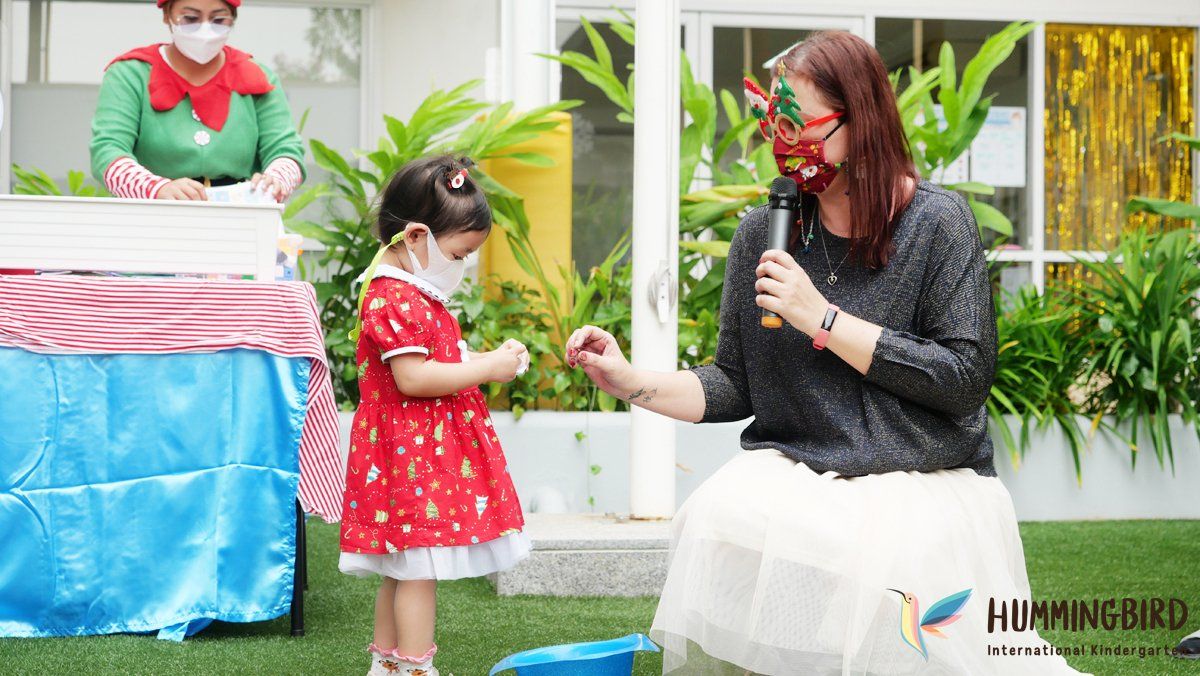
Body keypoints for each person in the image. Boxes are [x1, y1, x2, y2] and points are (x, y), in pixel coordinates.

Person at [567, 32, 1083, 675]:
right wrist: (628, 382)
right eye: (774, 124)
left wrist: (824, 319)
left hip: (921, 476)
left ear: (860, 123)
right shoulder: (765, 232)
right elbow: (734, 381)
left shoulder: (938, 223)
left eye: (797, 124)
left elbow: (962, 380)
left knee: (887, 562)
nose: (783, 143)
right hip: (802, 469)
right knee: (714, 514)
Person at [338, 156, 532, 676]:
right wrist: (486, 368)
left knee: (403, 567)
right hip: (411, 459)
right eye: (460, 253)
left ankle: (387, 666)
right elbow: (413, 378)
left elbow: (434, 363)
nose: (462, 264)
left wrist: (486, 360)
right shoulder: (396, 297)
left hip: (411, 453)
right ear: (417, 236)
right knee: (417, 568)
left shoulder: (408, 293)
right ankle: (415, 669)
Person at [89, 0, 305, 202]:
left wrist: (276, 180)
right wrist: (154, 189)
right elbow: (108, 151)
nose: (205, 29)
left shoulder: (257, 75)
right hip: (152, 213)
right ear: (167, 15)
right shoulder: (130, 74)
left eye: (219, 20)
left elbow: (285, 150)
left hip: (238, 214)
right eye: (191, 18)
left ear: (233, 19)